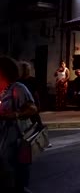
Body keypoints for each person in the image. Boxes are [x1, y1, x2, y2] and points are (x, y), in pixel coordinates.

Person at [0, 56, 38, 192]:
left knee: (14, 170)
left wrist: (15, 115)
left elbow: (33, 109)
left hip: (13, 136)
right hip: (2, 135)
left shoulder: (18, 88)